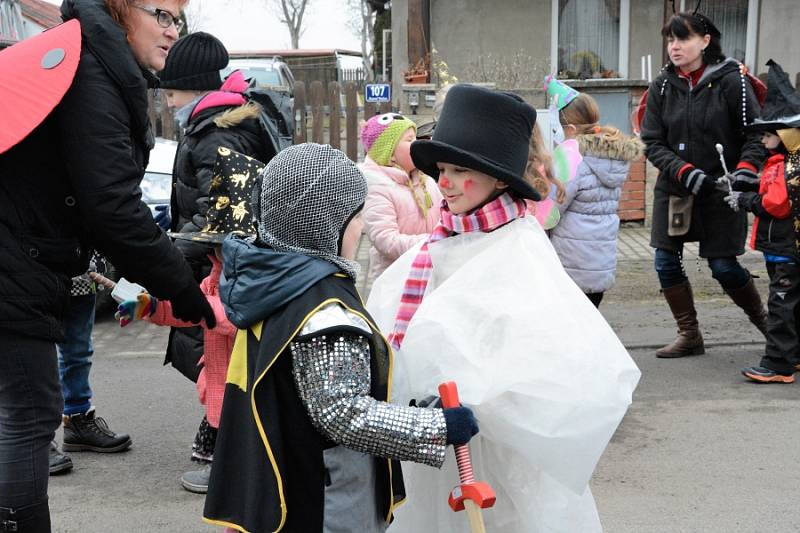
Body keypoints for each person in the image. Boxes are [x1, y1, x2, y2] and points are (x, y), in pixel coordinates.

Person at [366, 84, 640, 532]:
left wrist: (478, 393)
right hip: (435, 456)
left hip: (499, 462)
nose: (446, 183)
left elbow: (558, 363)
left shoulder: (519, 249)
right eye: (442, 170)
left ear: (498, 178)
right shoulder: (437, 244)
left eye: (460, 170)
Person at [0, 1, 216, 530]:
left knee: (22, 410)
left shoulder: (89, 59)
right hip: (13, 264)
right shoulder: (91, 71)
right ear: (121, 10)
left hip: (21, 256)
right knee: (30, 412)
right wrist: (180, 286)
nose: (172, 31)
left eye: (177, 19)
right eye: (161, 14)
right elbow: (111, 204)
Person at [202, 143, 479, 533]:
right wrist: (436, 426)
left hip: (277, 478)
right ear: (325, 223)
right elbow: (341, 413)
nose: (363, 227)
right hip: (323, 500)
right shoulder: (325, 314)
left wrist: (413, 409)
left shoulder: (271, 281)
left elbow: (304, 388)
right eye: (355, 217)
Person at [157, 30, 277, 479]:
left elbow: (218, 214)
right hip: (221, 264)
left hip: (225, 268)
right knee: (220, 359)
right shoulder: (220, 125)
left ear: (194, 88)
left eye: (171, 92)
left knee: (225, 358)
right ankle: (221, 445)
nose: (168, 103)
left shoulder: (217, 135)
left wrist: (168, 252)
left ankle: (231, 455)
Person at [117, 147, 262, 490]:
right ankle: (227, 474)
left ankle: (234, 480)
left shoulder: (254, 281)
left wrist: (199, 303)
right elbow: (190, 312)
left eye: (222, 246)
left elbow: (233, 318)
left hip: (244, 382)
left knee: (243, 434)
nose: (214, 253)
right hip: (218, 376)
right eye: (212, 246)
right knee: (221, 426)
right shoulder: (212, 279)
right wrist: (152, 307)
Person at [641, 9, 769, 358]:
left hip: (721, 192)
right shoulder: (663, 85)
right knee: (666, 261)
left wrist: (744, 170)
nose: (674, 46)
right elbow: (652, 141)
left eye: (683, 38)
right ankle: (689, 335)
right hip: (676, 189)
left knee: (723, 266)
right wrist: (683, 171)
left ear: (705, 41)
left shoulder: (732, 80)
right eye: (670, 39)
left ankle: (773, 331)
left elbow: (756, 136)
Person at [726, 60, 800, 384]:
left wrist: (746, 201)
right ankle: (793, 356)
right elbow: (772, 187)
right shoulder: (781, 161)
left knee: (782, 305)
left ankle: (778, 365)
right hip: (782, 248)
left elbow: (777, 203)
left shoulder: (788, 165)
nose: (764, 139)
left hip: (786, 249)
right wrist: (745, 183)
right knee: (792, 303)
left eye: (769, 134)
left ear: (785, 135)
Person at [547, 81, 645, 307]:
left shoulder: (572, 159)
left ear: (569, 129)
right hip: (599, 263)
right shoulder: (609, 155)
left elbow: (551, 213)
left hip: (571, 267)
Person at [49, 256, 132, 477]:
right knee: (33, 355)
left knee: (78, 351)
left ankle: (78, 421)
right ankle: (31, 437)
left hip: (82, 271)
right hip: (30, 272)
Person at [360, 113, 443, 282]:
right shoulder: (378, 187)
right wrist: (434, 242)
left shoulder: (424, 179)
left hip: (430, 269)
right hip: (396, 279)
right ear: (390, 153)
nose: (417, 144)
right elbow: (386, 241)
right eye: (410, 140)